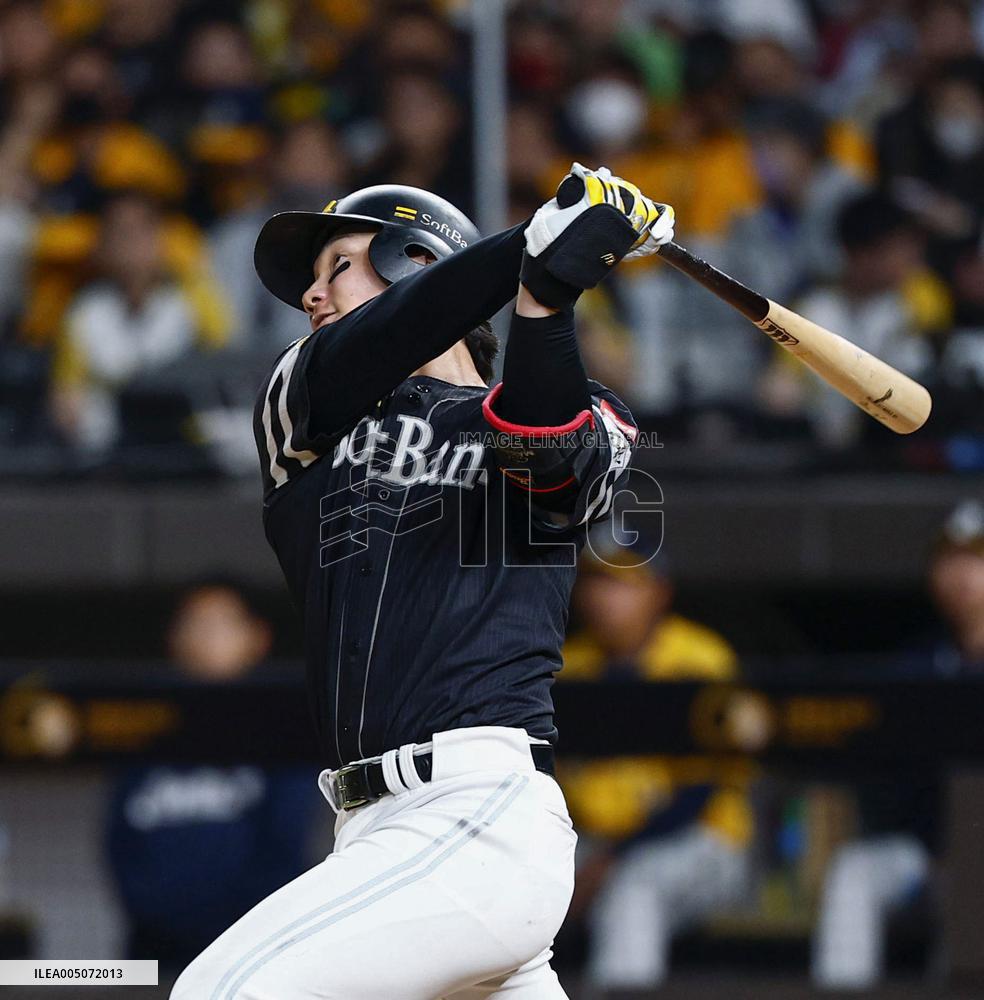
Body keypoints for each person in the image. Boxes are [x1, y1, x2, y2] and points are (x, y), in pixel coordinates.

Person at [171, 165, 675, 998]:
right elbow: (382, 340)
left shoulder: (592, 408)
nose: (310, 295)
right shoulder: (305, 407)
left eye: (337, 266)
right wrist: (534, 242)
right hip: (374, 831)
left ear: (416, 257)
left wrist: (544, 295)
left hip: (475, 814)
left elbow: (556, 463)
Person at [559, 543, 753, 990]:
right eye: (596, 581)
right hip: (591, 840)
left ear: (659, 592)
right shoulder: (568, 665)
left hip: (700, 839)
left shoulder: (701, 658)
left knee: (632, 893)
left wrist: (608, 861)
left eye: (622, 583)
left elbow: (698, 794)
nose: (605, 597)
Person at [811, 500, 984, 989]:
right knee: (854, 873)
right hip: (926, 856)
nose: (963, 575)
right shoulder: (919, 667)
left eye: (976, 559)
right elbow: (883, 776)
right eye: (951, 559)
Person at [107, 581, 318, 977]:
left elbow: (284, 848)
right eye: (194, 625)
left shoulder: (284, 730)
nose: (206, 638)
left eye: (219, 624)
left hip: (256, 957)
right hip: (153, 962)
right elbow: (120, 848)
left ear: (256, 637)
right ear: (174, 639)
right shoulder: (144, 731)